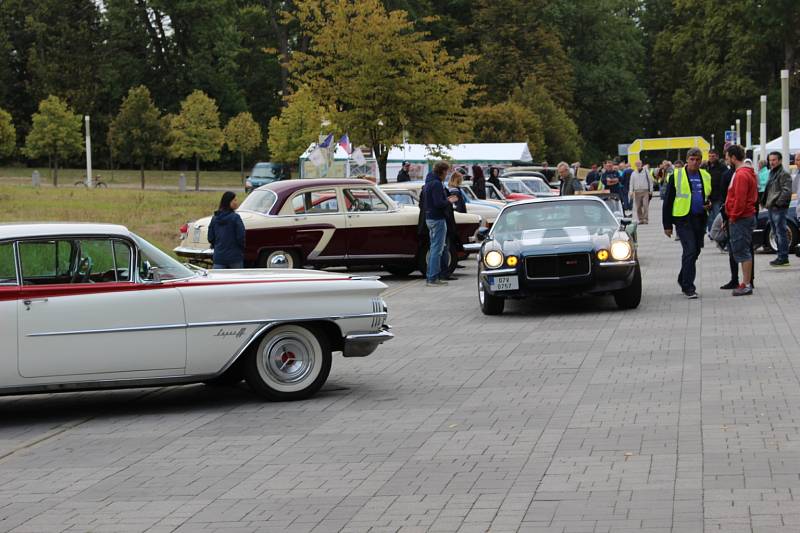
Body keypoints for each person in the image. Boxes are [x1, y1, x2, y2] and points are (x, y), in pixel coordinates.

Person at [662, 148, 711, 299]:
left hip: (699, 218)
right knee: (690, 250)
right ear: (687, 159)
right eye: (692, 159)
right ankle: (688, 287)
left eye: (698, 160)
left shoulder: (705, 175)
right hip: (682, 219)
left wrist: (707, 204)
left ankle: (683, 278)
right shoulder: (676, 175)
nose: (695, 162)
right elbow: (668, 202)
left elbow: (707, 195)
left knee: (695, 251)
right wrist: (667, 225)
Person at [724, 145, 758, 296]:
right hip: (744, 216)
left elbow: (740, 199)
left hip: (741, 218)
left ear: (733, 157)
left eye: (727, 156)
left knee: (743, 251)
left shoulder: (741, 175)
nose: (726, 159)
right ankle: (746, 282)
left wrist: (733, 216)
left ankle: (746, 283)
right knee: (743, 250)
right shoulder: (745, 172)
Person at [422, 162, 458, 286]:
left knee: (435, 248)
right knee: (437, 249)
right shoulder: (437, 184)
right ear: (442, 171)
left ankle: (433, 276)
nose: (447, 174)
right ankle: (432, 278)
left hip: (429, 218)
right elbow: (438, 203)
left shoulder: (428, 182)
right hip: (438, 219)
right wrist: (448, 200)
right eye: (446, 171)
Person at [762, 151, 793, 266]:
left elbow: (787, 191)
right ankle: (780, 256)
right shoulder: (772, 173)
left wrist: (778, 204)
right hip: (772, 207)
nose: (772, 162)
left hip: (779, 208)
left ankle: (783, 257)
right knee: (776, 233)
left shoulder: (783, 174)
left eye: (774, 160)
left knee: (781, 233)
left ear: (779, 160)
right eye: (770, 160)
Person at [207, 191, 245, 269]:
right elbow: (241, 237)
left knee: (218, 280)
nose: (236, 202)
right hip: (235, 257)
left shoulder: (215, 218)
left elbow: (210, 237)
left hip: (219, 257)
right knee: (236, 279)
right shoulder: (235, 218)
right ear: (228, 202)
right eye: (234, 200)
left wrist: (217, 246)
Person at [705, 149, 727, 234]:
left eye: (713, 156)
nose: (711, 158)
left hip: (718, 195)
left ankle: (717, 232)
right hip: (709, 196)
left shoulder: (722, 167)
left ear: (717, 156)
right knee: (709, 217)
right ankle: (711, 232)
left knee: (717, 215)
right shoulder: (706, 167)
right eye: (709, 156)